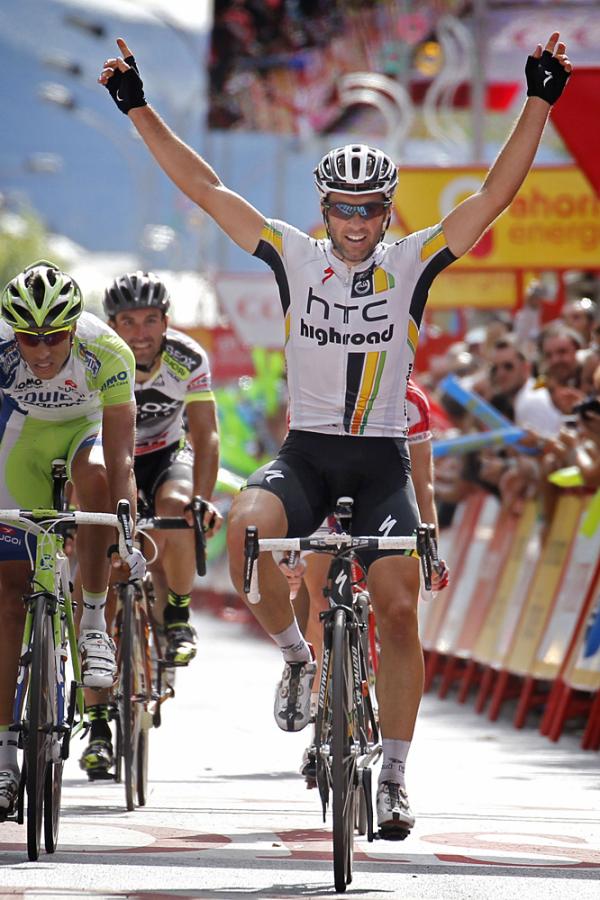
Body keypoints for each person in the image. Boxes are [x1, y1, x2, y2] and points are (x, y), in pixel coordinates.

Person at [98, 32, 572, 837]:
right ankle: (297, 661)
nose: (356, 222)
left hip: (381, 456)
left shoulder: (416, 261)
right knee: (246, 530)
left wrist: (539, 100)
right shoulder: (294, 254)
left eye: (370, 209)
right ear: (325, 209)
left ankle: (393, 775)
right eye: (344, 209)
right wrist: (137, 107)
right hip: (309, 452)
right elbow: (207, 189)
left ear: (389, 211)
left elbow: (493, 194)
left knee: (395, 613)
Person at [0, 260, 144, 817]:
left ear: (72, 327)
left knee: (99, 478)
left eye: (54, 336)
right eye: (28, 338)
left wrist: (124, 523)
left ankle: (90, 621)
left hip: (87, 429)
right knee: (10, 596)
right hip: (20, 436)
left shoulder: (107, 351)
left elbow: (124, 452)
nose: (40, 351)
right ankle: (6, 756)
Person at [78, 271, 223, 779]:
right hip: (108, 458)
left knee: (178, 506)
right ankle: (97, 727)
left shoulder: (187, 358)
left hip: (165, 456)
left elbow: (205, 438)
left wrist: (203, 499)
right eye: (127, 322)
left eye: (150, 321)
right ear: (112, 324)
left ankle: (177, 615)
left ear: (166, 322)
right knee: (99, 581)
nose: (140, 332)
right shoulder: (95, 359)